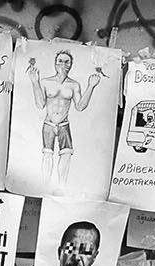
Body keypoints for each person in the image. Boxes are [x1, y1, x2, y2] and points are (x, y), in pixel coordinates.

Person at [27, 49, 104, 183]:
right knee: (47, 155)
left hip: (64, 124)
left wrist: (91, 86)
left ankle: (62, 186)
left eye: (66, 62)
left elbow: (80, 107)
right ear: (55, 64)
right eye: (60, 61)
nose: (63, 64)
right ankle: (44, 185)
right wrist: (34, 82)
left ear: (71, 65)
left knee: (67, 154)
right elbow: (40, 104)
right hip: (48, 124)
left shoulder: (74, 85)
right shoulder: (45, 82)